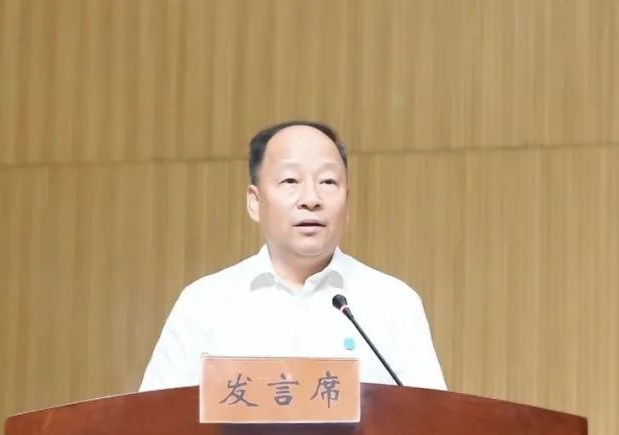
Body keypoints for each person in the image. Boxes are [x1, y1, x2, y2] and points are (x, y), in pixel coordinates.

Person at [138, 120, 447, 392]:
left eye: (328, 182)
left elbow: (433, 424)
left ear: (347, 201)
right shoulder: (204, 302)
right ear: (255, 202)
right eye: (290, 181)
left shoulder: (393, 302)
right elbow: (153, 421)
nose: (311, 199)